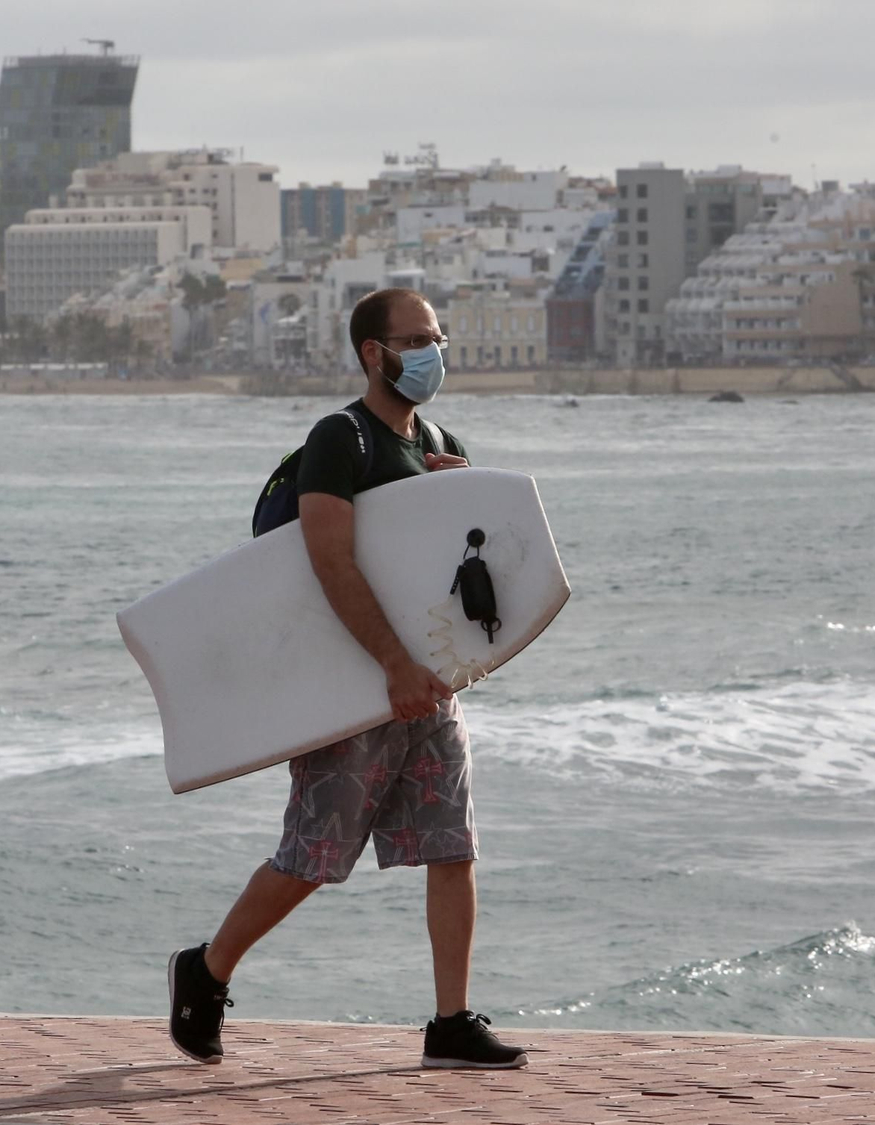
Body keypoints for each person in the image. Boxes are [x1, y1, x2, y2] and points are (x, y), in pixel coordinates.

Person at [166, 288, 528, 1070]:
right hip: (353, 685)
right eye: (418, 339)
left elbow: (444, 571)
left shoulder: (436, 438)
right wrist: (391, 663)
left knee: (451, 845)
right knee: (313, 856)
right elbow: (329, 561)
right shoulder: (342, 438)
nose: (435, 351)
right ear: (374, 352)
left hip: (427, 687)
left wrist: (454, 497)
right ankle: (207, 967)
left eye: (438, 336)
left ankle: (451, 1020)